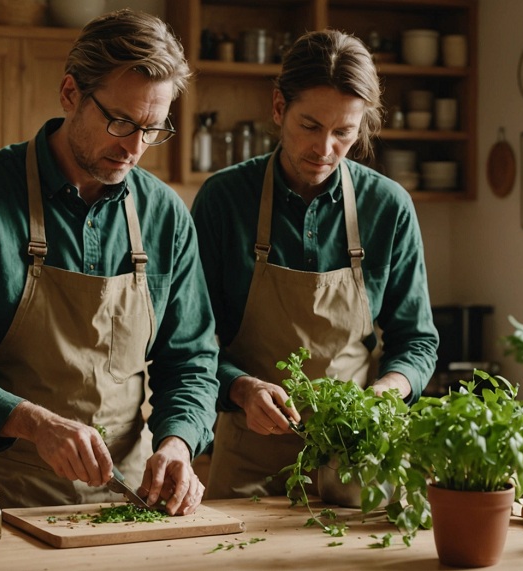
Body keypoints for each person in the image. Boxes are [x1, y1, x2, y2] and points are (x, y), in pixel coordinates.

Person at [0, 9, 218, 516]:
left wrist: (178, 440)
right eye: (121, 121)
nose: (134, 148)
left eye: (152, 130)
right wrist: (32, 422)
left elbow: (192, 359)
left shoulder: (165, 215)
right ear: (70, 94)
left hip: (120, 501)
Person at [190, 29, 439, 499]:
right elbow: (190, 343)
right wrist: (241, 390)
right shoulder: (224, 200)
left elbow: (417, 340)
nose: (324, 149)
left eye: (343, 132)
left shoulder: (388, 207)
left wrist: (390, 388)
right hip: (249, 459)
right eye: (310, 125)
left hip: (357, 456)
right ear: (279, 107)